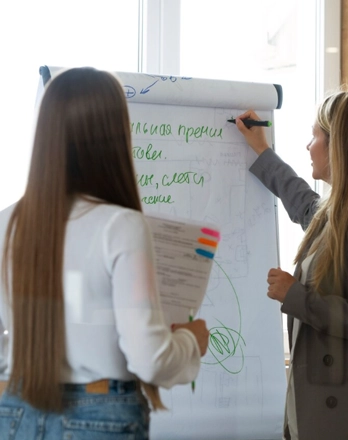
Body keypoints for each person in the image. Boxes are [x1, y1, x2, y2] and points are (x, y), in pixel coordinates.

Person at [0, 67, 209, 439]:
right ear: (114, 137)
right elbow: (148, 358)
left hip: (14, 413)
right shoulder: (120, 226)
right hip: (99, 417)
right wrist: (191, 340)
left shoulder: (6, 223)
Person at [234, 91, 348, 440]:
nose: (309, 145)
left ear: (341, 144)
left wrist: (298, 297)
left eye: (315, 136)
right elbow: (304, 203)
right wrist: (262, 151)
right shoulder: (338, 214)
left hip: (345, 418)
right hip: (322, 406)